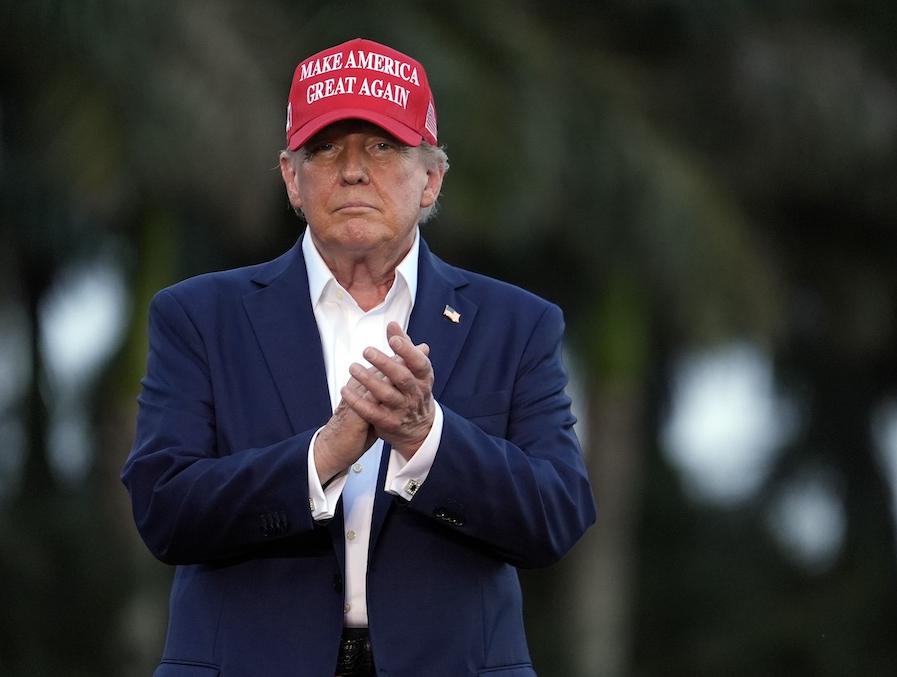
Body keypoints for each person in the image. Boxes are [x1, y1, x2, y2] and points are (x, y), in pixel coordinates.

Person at [122, 37, 596, 677]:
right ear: (292, 178)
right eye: (325, 148)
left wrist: (427, 439)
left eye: (382, 147)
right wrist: (323, 455)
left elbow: (554, 516)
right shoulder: (198, 317)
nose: (352, 170)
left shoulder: (518, 324)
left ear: (431, 179)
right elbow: (165, 511)